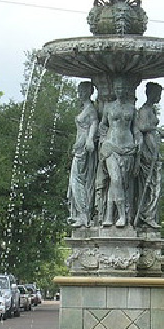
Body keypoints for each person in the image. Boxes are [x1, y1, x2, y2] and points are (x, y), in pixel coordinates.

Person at [97, 80, 137, 227]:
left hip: (127, 148)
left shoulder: (132, 109)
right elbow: (102, 125)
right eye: (118, 88)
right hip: (111, 146)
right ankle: (122, 216)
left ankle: (108, 216)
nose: (120, 90)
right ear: (114, 89)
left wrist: (137, 142)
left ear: (127, 90)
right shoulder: (108, 107)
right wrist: (103, 143)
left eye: (123, 88)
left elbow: (136, 129)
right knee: (115, 180)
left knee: (123, 184)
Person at [67, 81, 98, 227]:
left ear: (88, 92)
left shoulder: (91, 108)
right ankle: (81, 214)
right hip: (79, 146)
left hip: (84, 147)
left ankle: (83, 214)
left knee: (78, 180)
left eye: (82, 91)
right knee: (77, 180)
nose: (79, 94)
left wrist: (90, 140)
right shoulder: (85, 107)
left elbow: (94, 124)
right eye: (79, 91)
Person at [134, 82, 163, 228]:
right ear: (151, 94)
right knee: (152, 185)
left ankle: (149, 215)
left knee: (156, 185)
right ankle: (147, 215)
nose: (159, 97)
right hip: (148, 154)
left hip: (153, 153)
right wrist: (156, 130)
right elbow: (142, 127)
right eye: (157, 94)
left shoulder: (151, 110)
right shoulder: (144, 111)